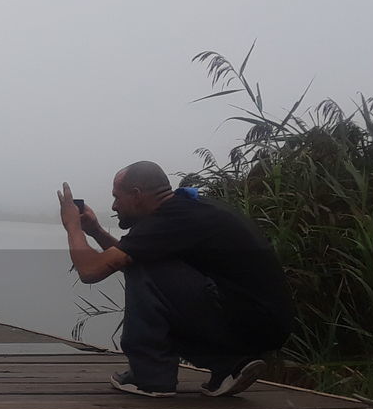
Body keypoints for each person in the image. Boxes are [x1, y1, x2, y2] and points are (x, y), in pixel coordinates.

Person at [56, 161, 293, 397]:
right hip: (258, 325)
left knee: (143, 264)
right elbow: (134, 263)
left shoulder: (171, 220)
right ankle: (231, 364)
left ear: (137, 194)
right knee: (142, 262)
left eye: (117, 197)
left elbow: (90, 271)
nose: (114, 205)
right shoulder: (186, 211)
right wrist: (95, 230)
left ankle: (150, 377)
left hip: (249, 324)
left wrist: (72, 226)